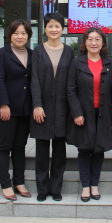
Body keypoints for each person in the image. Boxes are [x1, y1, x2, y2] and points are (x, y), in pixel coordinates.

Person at [67, 27, 112, 202]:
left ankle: (94, 184)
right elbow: (71, 90)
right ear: (85, 42)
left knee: (99, 149)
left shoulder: (110, 64)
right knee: (84, 149)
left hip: (104, 113)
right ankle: (85, 186)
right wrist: (76, 113)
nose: (93, 43)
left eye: (97, 39)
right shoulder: (77, 63)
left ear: (103, 43)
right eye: (90, 39)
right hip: (83, 115)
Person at [30, 13, 74, 202]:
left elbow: (72, 81)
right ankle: (42, 189)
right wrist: (37, 105)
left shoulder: (69, 52)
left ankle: (56, 188)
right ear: (45, 29)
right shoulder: (38, 51)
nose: (54, 29)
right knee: (41, 151)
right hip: (43, 107)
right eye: (50, 26)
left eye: (57, 26)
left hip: (63, 108)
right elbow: (34, 80)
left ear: (62, 29)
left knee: (59, 152)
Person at [0, 19, 33, 201]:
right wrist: (3, 104)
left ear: (28, 36)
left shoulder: (32, 54)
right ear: (10, 35)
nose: (20, 36)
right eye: (16, 33)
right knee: (4, 147)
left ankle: (19, 181)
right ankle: (6, 184)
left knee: (20, 147)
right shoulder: (2, 54)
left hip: (25, 109)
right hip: (6, 109)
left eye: (23, 33)